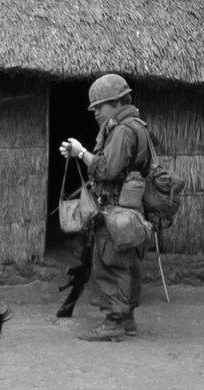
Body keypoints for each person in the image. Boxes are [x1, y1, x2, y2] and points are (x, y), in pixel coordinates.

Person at [60, 73, 153, 341]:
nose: (96, 113)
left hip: (115, 211)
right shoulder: (137, 126)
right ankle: (128, 320)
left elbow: (108, 170)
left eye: (99, 107)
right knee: (126, 264)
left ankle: (114, 322)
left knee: (110, 265)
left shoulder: (123, 131)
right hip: (129, 211)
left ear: (115, 102)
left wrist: (81, 153)